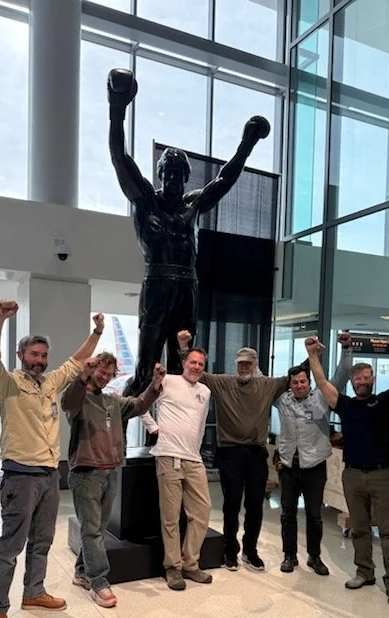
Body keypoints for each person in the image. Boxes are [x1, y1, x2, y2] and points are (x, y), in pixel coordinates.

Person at [107, 67, 270, 395]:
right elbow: (120, 158)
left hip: (186, 288)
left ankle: (173, 424)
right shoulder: (145, 200)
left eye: (178, 174)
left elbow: (224, 179)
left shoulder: (193, 205)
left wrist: (247, 144)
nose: (172, 180)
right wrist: (118, 108)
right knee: (144, 373)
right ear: (160, 175)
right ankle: (119, 422)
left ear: (185, 178)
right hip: (157, 285)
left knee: (183, 373)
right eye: (167, 173)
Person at [0, 300, 104, 618]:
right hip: (20, 475)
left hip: (50, 474)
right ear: (21, 355)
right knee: (11, 546)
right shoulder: (7, 385)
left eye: (43, 355)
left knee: (42, 541)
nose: (39, 360)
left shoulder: (49, 383)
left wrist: (96, 333)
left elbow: (75, 362)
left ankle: (34, 591)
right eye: (34, 354)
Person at [306, 328, 389, 607]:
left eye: (366, 377)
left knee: (388, 532)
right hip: (353, 475)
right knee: (359, 528)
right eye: (358, 378)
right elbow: (321, 381)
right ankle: (364, 572)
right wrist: (312, 355)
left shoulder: (385, 402)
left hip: (381, 475)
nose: (362, 381)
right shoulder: (345, 405)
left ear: (373, 379)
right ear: (351, 382)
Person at [177, 330, 293, 572]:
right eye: (241, 363)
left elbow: (292, 378)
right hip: (230, 452)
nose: (244, 367)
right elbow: (195, 371)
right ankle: (230, 551)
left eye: (248, 363)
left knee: (255, 505)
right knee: (231, 504)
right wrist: (184, 347)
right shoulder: (224, 382)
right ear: (236, 365)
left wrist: (312, 355)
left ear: (255, 365)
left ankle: (250, 551)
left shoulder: (267, 384)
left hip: (256, 453)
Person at [61, 354, 165, 608]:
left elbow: (139, 405)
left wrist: (154, 386)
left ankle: (81, 571)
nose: (105, 377)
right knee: (92, 530)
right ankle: (98, 581)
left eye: (109, 374)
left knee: (97, 528)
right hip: (86, 473)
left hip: (111, 470)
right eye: (101, 372)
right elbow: (68, 401)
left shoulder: (113, 401)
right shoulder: (79, 398)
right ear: (92, 370)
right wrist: (82, 376)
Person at [276, 333, 353, 576]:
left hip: (315, 467)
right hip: (289, 466)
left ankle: (314, 557)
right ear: (290, 384)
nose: (299, 385)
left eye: (303, 381)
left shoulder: (321, 397)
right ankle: (289, 556)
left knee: (314, 515)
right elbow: (261, 384)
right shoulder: (283, 400)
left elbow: (342, 376)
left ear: (309, 382)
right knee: (287, 514)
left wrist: (347, 349)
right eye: (295, 382)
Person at [141, 348, 213, 591]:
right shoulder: (168, 381)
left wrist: (197, 449)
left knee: (201, 512)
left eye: (200, 364)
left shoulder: (205, 391)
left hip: (193, 459)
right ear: (184, 363)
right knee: (170, 517)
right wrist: (153, 428)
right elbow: (141, 404)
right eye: (193, 362)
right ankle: (173, 567)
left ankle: (191, 564)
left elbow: (201, 425)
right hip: (168, 455)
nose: (196, 367)